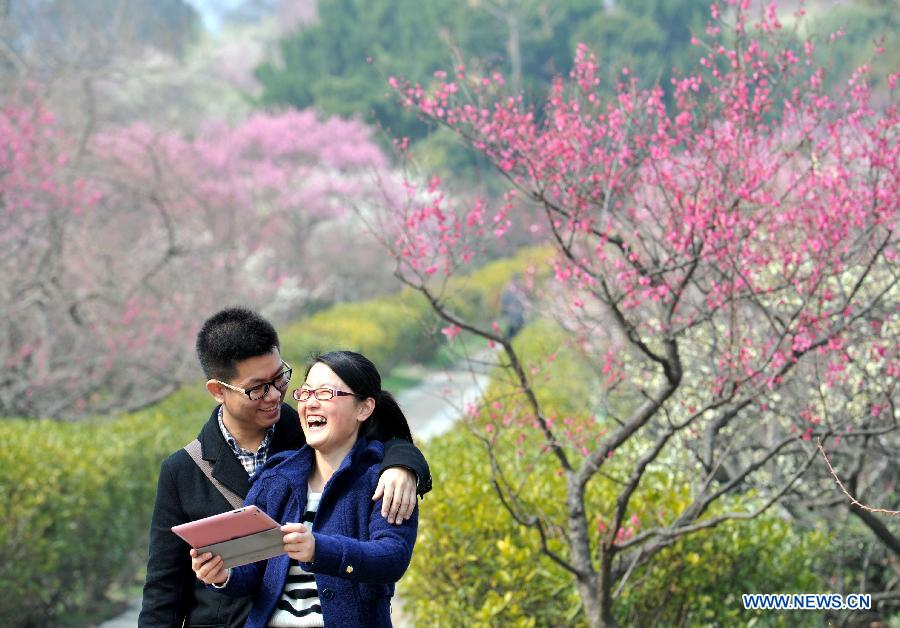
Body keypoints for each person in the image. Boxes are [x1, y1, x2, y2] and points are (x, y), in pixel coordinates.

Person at [139, 309, 431, 628]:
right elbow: (163, 590)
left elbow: (374, 437)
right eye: (257, 388)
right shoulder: (186, 470)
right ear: (218, 390)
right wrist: (221, 574)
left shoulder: (309, 434)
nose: (275, 395)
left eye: (280, 378)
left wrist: (403, 465)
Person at [191, 350, 418, 627]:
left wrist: (319, 549)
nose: (310, 403)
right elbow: (252, 570)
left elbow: (392, 558)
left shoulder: (385, 480)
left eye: (325, 394)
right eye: (306, 393)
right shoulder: (275, 479)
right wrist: (222, 574)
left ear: (364, 408)